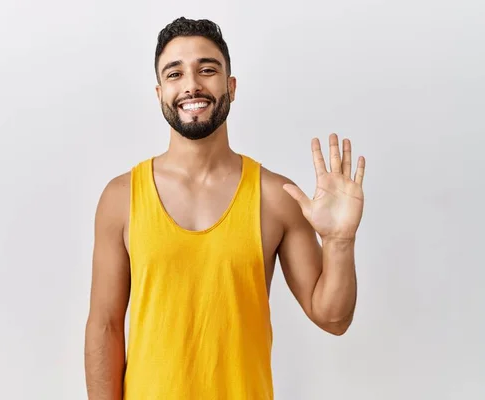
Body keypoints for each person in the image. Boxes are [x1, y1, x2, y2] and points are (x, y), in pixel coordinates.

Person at [84, 16, 366, 400]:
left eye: (207, 69)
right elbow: (105, 326)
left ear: (230, 86)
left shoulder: (275, 196)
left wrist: (339, 241)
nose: (192, 85)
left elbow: (333, 318)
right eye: (175, 74)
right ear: (159, 92)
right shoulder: (120, 198)